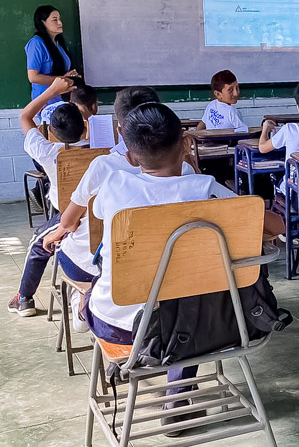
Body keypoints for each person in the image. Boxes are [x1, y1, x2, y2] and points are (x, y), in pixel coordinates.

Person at [84, 102, 235, 435]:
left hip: (119, 327)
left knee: (100, 285)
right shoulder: (206, 190)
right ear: (185, 143)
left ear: (131, 156)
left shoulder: (114, 187)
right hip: (193, 327)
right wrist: (193, 170)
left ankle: (96, 330)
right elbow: (272, 224)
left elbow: (96, 215)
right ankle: (177, 397)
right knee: (188, 298)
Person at [38, 87, 195, 332]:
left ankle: (83, 302)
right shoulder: (189, 175)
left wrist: (59, 231)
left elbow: (69, 223)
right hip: (174, 279)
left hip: (110, 280)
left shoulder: (105, 170)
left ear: (121, 131)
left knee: (65, 245)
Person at [7, 77, 88, 317]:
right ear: (85, 125)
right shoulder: (103, 149)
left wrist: (52, 90)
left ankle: (24, 298)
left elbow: (24, 117)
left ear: (51, 132)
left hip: (68, 215)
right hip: (97, 211)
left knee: (36, 243)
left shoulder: (48, 151)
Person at [25, 5, 76, 103]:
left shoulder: (59, 44)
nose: (60, 23)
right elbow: (33, 77)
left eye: (59, 19)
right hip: (46, 101)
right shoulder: (36, 43)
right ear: (43, 22)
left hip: (63, 99)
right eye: (54, 20)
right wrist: (63, 79)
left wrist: (71, 77)